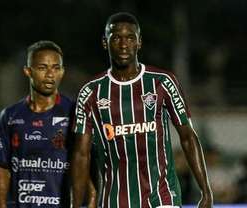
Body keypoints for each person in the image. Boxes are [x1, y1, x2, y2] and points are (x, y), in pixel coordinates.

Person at [71, 12, 213, 208]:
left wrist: (206, 191)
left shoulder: (163, 81)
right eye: (116, 37)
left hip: (162, 197)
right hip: (116, 200)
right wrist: (75, 205)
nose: (123, 44)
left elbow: (188, 136)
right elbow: (81, 154)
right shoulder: (91, 92)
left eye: (130, 38)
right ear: (105, 42)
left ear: (139, 43)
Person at [0, 40, 95, 208]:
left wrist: (91, 202)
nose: (50, 74)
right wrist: (0, 204)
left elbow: (88, 163)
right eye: (42, 68)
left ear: (62, 72)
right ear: (28, 71)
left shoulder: (76, 113)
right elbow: (2, 167)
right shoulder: (10, 116)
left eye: (56, 68)